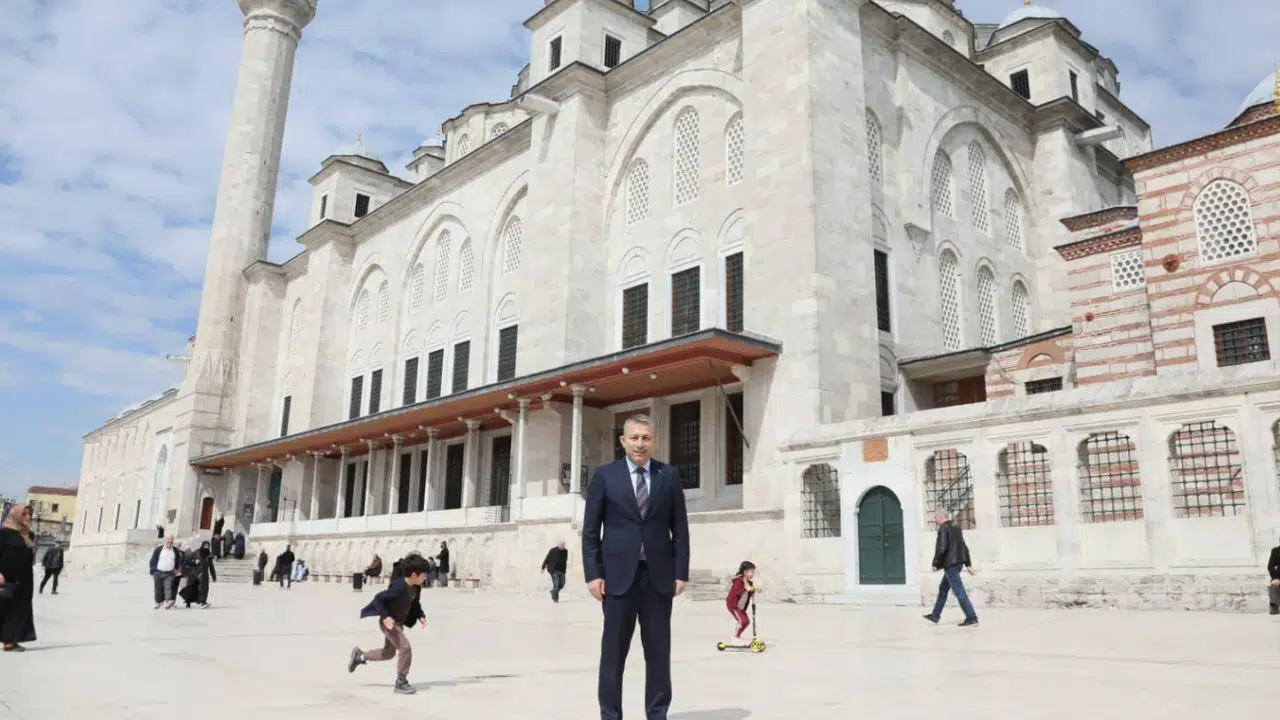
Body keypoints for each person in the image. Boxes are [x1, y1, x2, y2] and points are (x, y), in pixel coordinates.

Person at [582, 414, 690, 720]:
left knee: (658, 654)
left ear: (653, 440)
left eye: (645, 437)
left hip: (658, 579)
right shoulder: (606, 476)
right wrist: (594, 574)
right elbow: (591, 531)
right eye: (634, 437)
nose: (640, 443)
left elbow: (680, 529)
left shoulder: (668, 476)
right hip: (617, 580)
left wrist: (680, 572)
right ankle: (610, 715)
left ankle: (657, 714)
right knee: (613, 655)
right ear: (623, 441)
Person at [347, 554, 430, 695]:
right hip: (389, 623)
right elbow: (379, 599)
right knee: (405, 647)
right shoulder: (398, 587)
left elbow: (415, 603)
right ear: (414, 575)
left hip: (398, 623)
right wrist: (386, 617)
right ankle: (401, 681)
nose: (426, 577)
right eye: (424, 575)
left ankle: (359, 657)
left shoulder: (416, 587)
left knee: (388, 653)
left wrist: (420, 615)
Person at [923, 508, 979, 627]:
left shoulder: (943, 528)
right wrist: (968, 564)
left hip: (950, 564)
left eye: (936, 517)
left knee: (959, 591)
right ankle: (935, 615)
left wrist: (935, 563)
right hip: (958, 563)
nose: (935, 520)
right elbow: (964, 546)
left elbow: (941, 547)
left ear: (940, 517)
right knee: (943, 588)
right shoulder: (956, 527)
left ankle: (971, 617)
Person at [0, 505, 37, 652]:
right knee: (4, 608)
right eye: (24, 514)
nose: (28, 517)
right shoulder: (4, 533)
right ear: (15, 515)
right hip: (6, 578)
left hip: (24, 579)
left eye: (29, 514)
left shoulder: (29, 535)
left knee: (19, 609)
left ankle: (10, 641)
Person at [725, 561, 757, 646]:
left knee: (746, 621)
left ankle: (737, 637)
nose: (753, 574)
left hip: (741, 606)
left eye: (753, 572)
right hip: (734, 605)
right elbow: (737, 592)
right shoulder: (739, 580)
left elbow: (749, 591)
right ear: (745, 572)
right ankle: (735, 638)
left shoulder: (749, 583)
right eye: (751, 572)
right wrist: (746, 589)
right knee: (742, 621)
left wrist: (753, 591)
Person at [149, 535, 184, 609]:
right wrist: (153, 570)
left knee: (168, 588)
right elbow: (153, 560)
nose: (170, 541)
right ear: (165, 540)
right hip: (158, 572)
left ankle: (167, 602)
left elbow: (178, 560)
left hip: (169, 573)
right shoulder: (158, 549)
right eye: (168, 539)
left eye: (171, 539)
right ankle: (158, 602)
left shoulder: (175, 550)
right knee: (158, 589)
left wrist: (176, 569)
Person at [1267, 540, 1280, 615]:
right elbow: (1270, 566)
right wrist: (1275, 578)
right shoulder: (1275, 551)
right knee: (1274, 586)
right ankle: (1274, 607)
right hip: (1279, 576)